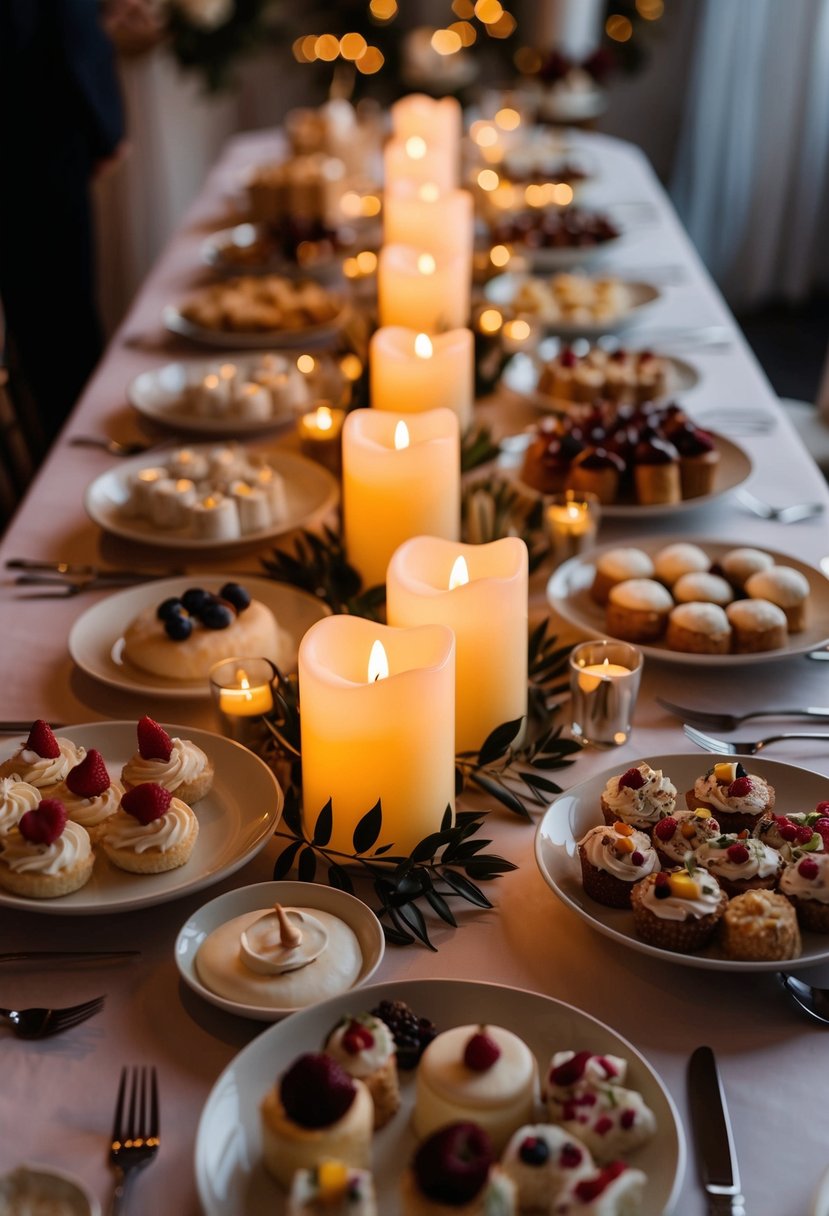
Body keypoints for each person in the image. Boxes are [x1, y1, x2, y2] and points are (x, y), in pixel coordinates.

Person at [0, 0, 125, 446]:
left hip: (45, 135)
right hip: (34, 144)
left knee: (60, 332)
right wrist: (103, 125)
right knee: (60, 336)